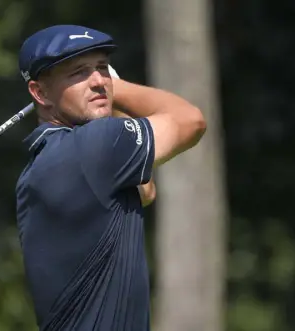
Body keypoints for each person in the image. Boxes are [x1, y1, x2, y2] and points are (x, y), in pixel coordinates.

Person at [15, 25, 206, 331]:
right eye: (78, 72)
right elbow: (190, 120)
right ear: (40, 92)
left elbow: (144, 191)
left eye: (102, 68)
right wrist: (118, 86)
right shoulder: (93, 146)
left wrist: (106, 98)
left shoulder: (47, 162)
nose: (97, 82)